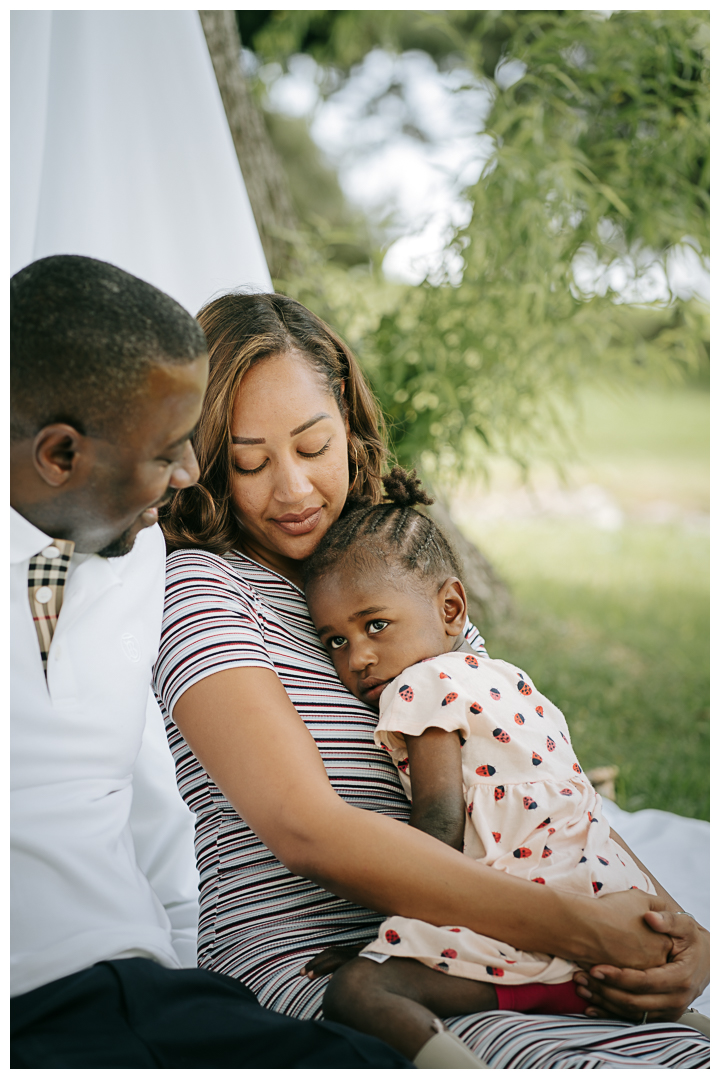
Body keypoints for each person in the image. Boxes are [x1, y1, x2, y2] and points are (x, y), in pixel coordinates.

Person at [154, 290, 709, 1069]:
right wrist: (576, 929)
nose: (293, 489)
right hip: (334, 969)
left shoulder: (397, 577)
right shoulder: (205, 593)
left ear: (348, 425)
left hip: (498, 941)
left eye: (314, 447)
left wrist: (674, 932)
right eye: (250, 462)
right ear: (209, 462)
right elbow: (306, 829)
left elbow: (538, 775)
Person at [10, 255, 415, 1070]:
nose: (193, 474)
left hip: (151, 986)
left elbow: (148, 798)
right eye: (171, 451)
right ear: (59, 455)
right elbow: (305, 828)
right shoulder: (189, 579)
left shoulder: (135, 556)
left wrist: (186, 960)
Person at [299, 466, 710, 1059]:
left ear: (450, 608)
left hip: (526, 913)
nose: (359, 656)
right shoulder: (515, 683)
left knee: (357, 991)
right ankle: (674, 1022)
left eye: (376, 625)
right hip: (603, 911)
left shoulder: (419, 687)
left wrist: (388, 946)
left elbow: (437, 828)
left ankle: (450, 1062)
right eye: (335, 640)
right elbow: (579, 804)